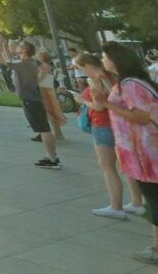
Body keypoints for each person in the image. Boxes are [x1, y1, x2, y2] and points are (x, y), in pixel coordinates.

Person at [101, 42, 158, 265]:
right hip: (144, 151)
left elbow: (142, 116)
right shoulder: (132, 81)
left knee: (154, 200)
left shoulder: (131, 84)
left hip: (147, 153)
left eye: (104, 56)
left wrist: (108, 104)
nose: (103, 60)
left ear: (115, 59)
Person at [76, 52, 146, 220]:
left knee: (107, 166)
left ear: (86, 66)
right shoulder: (113, 76)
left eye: (80, 68)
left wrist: (82, 100)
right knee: (125, 164)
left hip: (102, 124)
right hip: (121, 124)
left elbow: (100, 106)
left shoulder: (95, 79)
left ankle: (116, 206)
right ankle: (136, 202)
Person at [13, 41, 60, 168]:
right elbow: (46, 68)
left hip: (31, 99)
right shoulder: (32, 62)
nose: (17, 47)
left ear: (24, 50)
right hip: (34, 98)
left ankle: (52, 159)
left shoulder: (25, 63)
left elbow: (0, 60)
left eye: (20, 46)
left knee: (44, 129)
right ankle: (51, 156)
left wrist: (0, 45)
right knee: (44, 128)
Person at [36, 51, 65, 140]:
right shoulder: (46, 66)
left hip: (44, 90)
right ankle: (57, 132)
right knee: (50, 112)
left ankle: (57, 133)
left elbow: (42, 78)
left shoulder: (43, 66)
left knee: (49, 112)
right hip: (47, 88)